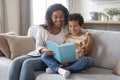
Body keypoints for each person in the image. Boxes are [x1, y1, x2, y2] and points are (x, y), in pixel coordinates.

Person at [8, 3, 69, 80]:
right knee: (16, 61)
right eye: (55, 17)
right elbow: (38, 46)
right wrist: (43, 50)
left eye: (61, 17)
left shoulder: (67, 30)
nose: (58, 19)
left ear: (65, 17)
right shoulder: (42, 29)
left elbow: (79, 31)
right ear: (50, 17)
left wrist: (88, 35)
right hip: (40, 54)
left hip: (51, 59)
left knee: (28, 63)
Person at [41, 13, 94, 78]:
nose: (72, 29)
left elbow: (88, 53)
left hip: (75, 61)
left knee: (90, 60)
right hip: (63, 61)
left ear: (81, 25)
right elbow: (63, 49)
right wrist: (62, 59)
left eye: (75, 26)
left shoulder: (85, 37)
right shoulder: (67, 36)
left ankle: (59, 69)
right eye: (70, 26)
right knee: (44, 56)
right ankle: (59, 69)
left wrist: (89, 38)